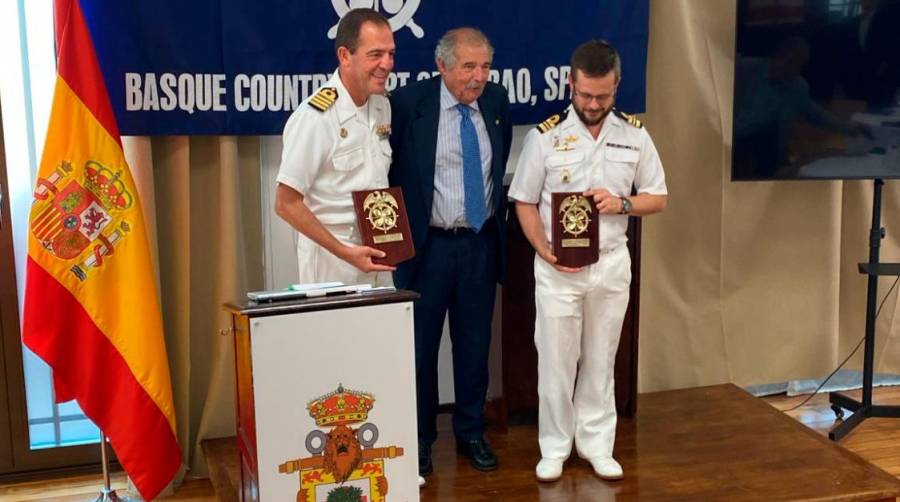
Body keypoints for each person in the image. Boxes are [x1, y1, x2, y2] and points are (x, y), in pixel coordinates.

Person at [508, 40, 667, 482]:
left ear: (617, 87)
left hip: (612, 263)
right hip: (557, 267)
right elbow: (522, 201)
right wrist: (542, 248)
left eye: (603, 96)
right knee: (556, 360)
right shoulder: (546, 136)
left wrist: (623, 204)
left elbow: (658, 198)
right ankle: (555, 447)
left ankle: (597, 444)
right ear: (570, 84)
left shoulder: (634, 136)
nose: (593, 104)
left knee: (601, 359)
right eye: (585, 95)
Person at [388, 27, 512, 477]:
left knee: (474, 346)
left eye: (485, 67)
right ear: (442, 66)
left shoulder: (496, 103)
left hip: (479, 244)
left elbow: (498, 166)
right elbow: (391, 172)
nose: (478, 77)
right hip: (428, 249)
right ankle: (420, 439)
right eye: (468, 67)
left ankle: (470, 432)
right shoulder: (408, 105)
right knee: (420, 350)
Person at [275, 8, 396, 286]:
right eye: (375, 54)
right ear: (345, 56)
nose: (387, 64)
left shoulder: (381, 105)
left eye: (390, 54)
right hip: (333, 261)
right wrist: (345, 252)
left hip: (378, 253)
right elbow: (285, 203)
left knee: (383, 329)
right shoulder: (316, 117)